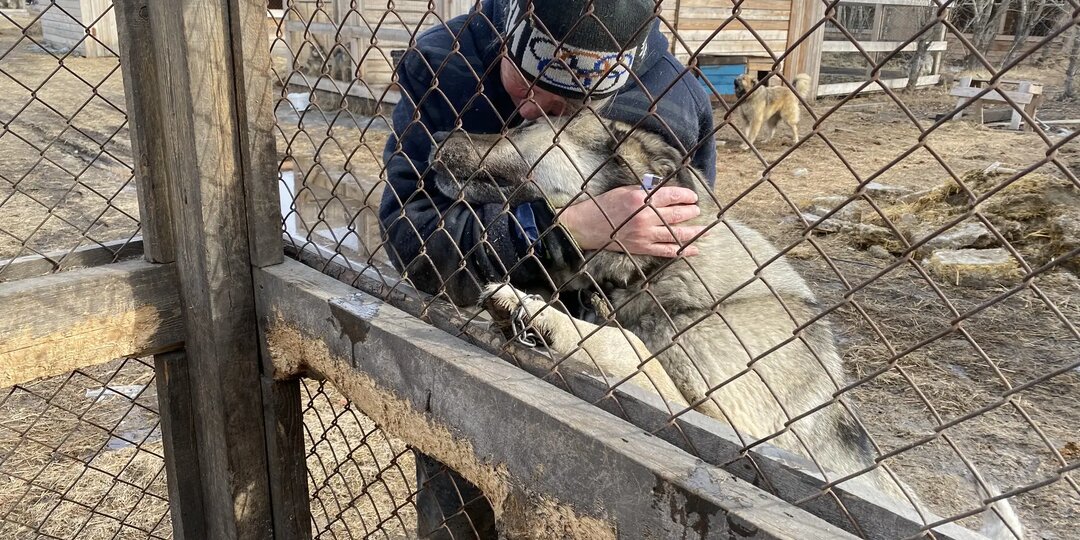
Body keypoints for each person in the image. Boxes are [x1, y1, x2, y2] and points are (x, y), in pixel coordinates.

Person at [378, 0, 717, 537]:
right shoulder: (443, 64)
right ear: (513, 32)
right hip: (472, 349)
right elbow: (413, 240)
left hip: (611, 378)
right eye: (530, 84)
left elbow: (684, 252)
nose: (539, 110)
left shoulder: (675, 99)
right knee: (458, 518)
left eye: (574, 104)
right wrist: (562, 232)